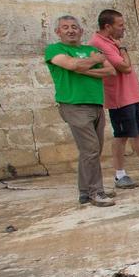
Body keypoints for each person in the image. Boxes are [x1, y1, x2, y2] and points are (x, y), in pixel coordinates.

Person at [89, 9, 139, 189]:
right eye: (120, 25)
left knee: (138, 132)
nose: (123, 29)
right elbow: (125, 67)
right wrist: (123, 49)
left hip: (130, 95)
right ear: (107, 26)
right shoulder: (99, 44)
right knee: (121, 136)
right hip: (119, 98)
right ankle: (119, 175)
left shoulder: (111, 42)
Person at [44, 15, 116, 207]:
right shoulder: (55, 49)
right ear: (58, 32)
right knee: (91, 149)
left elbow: (110, 71)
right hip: (74, 104)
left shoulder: (91, 50)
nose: (70, 30)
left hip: (96, 104)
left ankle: (85, 192)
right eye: (65, 27)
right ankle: (96, 192)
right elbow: (71, 65)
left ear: (81, 31)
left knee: (93, 150)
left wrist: (84, 68)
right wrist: (91, 62)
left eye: (74, 27)